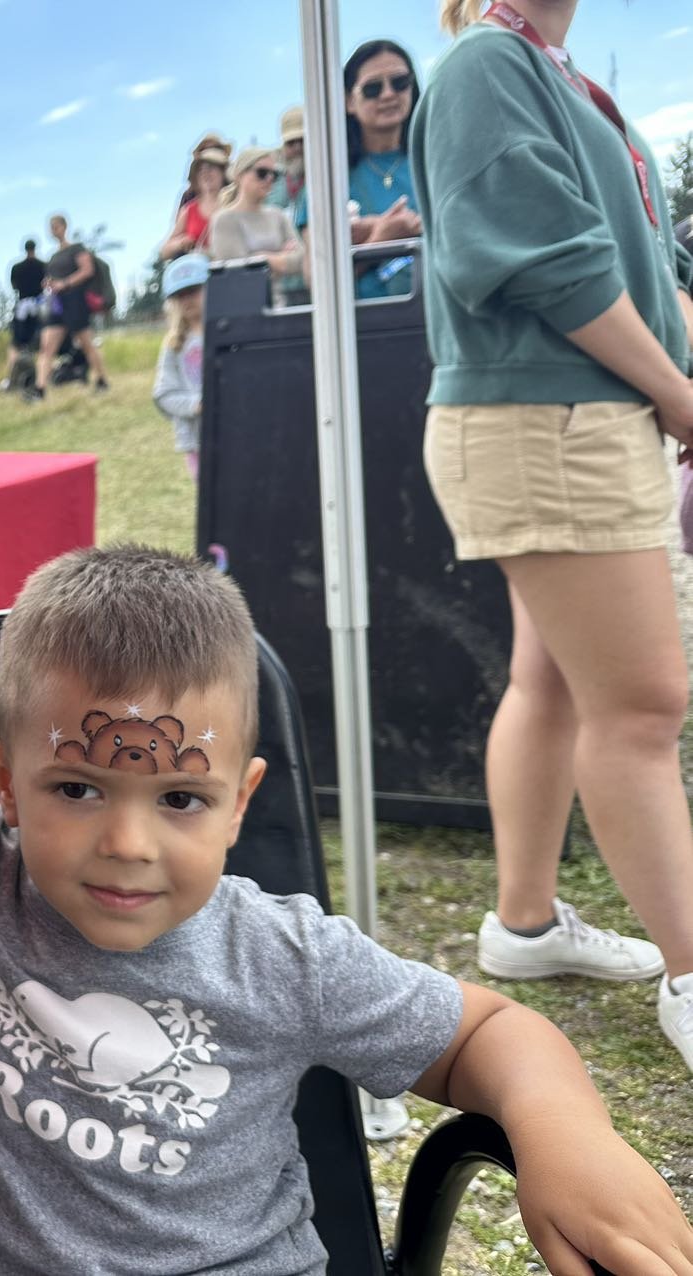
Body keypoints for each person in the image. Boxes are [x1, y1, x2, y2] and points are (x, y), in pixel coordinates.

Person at [0, 543, 693, 1274]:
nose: (128, 842)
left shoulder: (283, 956)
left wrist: (566, 1137)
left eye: (180, 800)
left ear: (241, 803)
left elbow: (486, 1033)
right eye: (79, 787)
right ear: (6, 784)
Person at [416, 0, 693, 1072]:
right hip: (551, 417)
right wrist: (676, 393)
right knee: (642, 705)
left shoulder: (548, 70)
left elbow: (635, 271)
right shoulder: (490, 61)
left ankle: (522, 927)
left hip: (563, 413)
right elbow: (545, 261)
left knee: (563, 684)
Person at [339, 39, 425, 298]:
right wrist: (381, 238)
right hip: (360, 330)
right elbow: (315, 277)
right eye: (373, 88)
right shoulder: (330, 177)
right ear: (348, 101)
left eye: (399, 82)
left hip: (436, 321)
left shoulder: (435, 162)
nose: (388, 94)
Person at [25, 214, 109, 402]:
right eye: (51, 227)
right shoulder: (53, 256)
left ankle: (102, 379)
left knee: (87, 344)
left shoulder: (77, 249)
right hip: (57, 305)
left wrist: (65, 283)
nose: (53, 230)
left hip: (75, 301)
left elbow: (88, 271)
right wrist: (49, 283)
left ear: (64, 227)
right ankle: (40, 389)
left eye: (56, 226)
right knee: (47, 347)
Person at [207, 146, 304, 307]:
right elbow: (239, 274)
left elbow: (302, 260)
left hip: (281, 306)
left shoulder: (278, 215)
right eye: (262, 173)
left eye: (275, 174)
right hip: (244, 311)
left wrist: (261, 257)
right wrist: (280, 256)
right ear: (239, 176)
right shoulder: (224, 220)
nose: (269, 179)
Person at [153, 255, 210, 481]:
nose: (187, 300)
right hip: (197, 442)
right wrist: (197, 405)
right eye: (179, 295)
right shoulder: (174, 345)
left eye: (193, 290)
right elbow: (163, 395)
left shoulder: (230, 333)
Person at [265, 106, 310, 303]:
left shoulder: (327, 183)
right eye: (292, 143)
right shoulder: (271, 188)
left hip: (316, 282)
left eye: (303, 141)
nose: (298, 148)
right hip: (281, 288)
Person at [159, 138, 231, 261]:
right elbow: (164, 251)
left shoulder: (234, 202)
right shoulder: (189, 209)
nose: (206, 173)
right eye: (201, 170)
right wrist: (181, 243)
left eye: (211, 168)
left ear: (223, 172)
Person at [0, 239, 45, 394]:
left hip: (22, 308)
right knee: (43, 343)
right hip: (39, 308)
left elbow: (14, 286)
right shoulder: (43, 266)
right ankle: (41, 376)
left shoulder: (17, 267)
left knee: (16, 343)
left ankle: (12, 378)